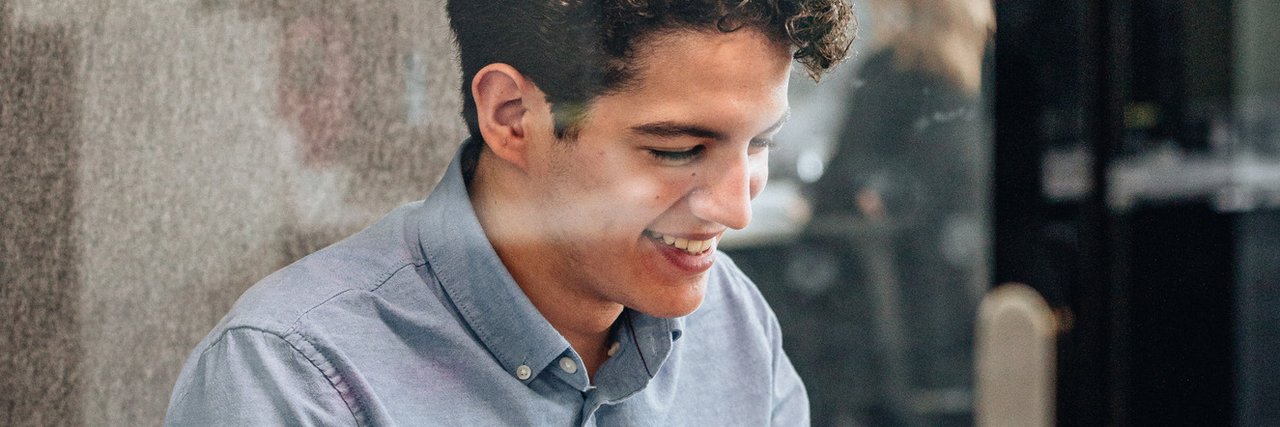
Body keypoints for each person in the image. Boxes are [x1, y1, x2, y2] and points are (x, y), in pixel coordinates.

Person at [165, 0, 852, 425]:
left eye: (760, 142)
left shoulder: (734, 327)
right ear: (512, 116)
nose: (735, 207)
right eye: (678, 149)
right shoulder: (292, 378)